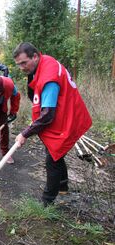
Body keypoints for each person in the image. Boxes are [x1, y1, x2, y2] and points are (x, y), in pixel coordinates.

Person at [13, 42, 92, 206]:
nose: (21, 67)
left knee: (52, 158)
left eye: (23, 63)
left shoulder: (49, 78)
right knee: (55, 151)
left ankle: (46, 202)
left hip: (68, 116)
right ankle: (62, 186)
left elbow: (48, 115)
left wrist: (25, 133)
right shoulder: (43, 61)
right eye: (18, 64)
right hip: (61, 113)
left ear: (34, 56)